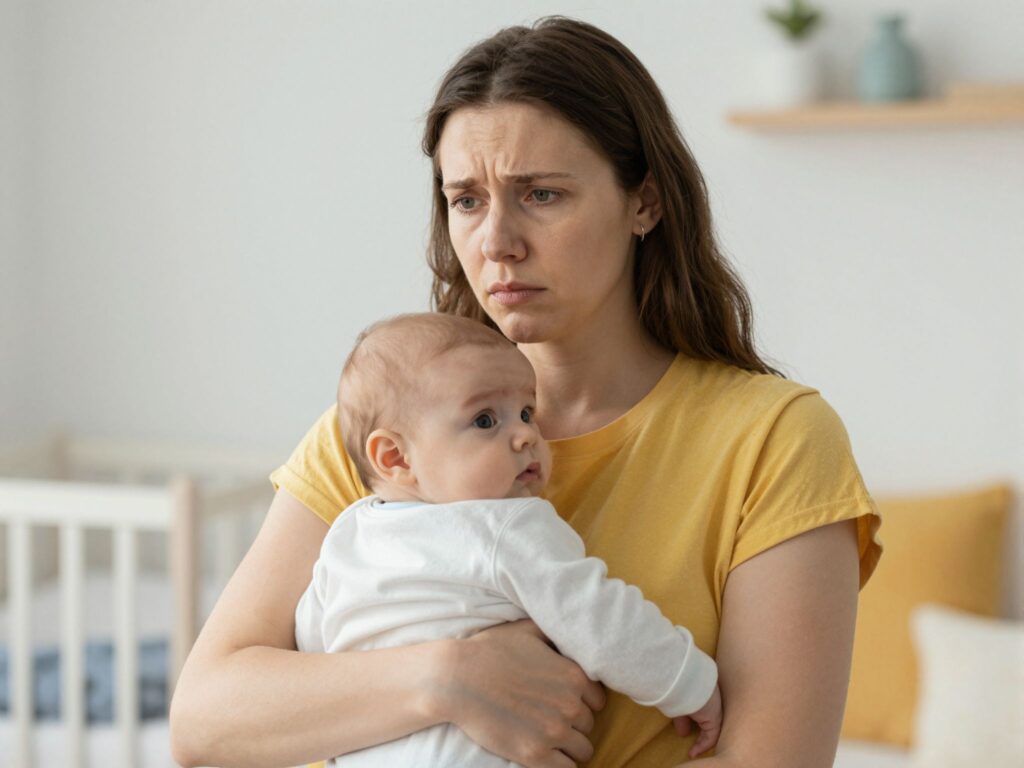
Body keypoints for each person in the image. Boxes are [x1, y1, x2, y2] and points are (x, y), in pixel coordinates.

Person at [170, 16, 882, 768]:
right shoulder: (391, 437)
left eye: (540, 194)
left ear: (645, 202)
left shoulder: (775, 441)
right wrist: (447, 678)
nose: (495, 241)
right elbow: (204, 723)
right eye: (467, 200)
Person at [295, 312, 723, 766]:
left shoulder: (347, 536)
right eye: (484, 421)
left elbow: (312, 643)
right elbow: (598, 618)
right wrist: (688, 684)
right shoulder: (504, 524)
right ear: (396, 456)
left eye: (526, 412)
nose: (524, 435)